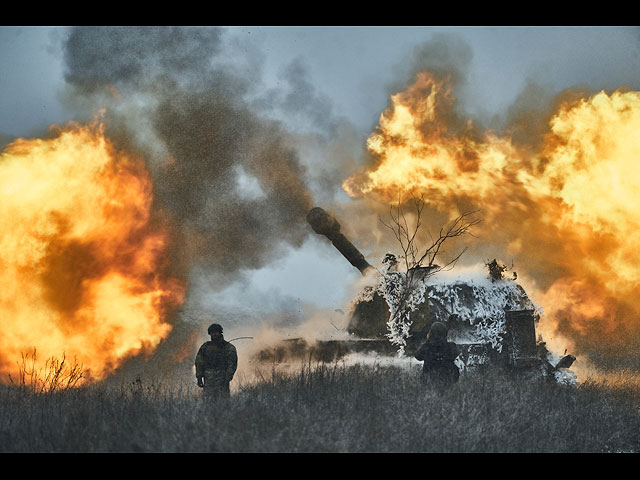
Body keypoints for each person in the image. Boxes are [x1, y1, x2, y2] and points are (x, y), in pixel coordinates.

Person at [195, 323, 238, 399]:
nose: (214, 334)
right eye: (212, 332)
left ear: (220, 333)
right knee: (208, 402)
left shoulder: (228, 347)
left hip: (222, 379)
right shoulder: (205, 347)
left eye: (216, 332)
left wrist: (227, 378)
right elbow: (199, 362)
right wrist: (199, 377)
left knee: (223, 402)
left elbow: (232, 364)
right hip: (208, 380)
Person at [414, 321, 460, 387]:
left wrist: (428, 341)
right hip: (448, 379)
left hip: (429, 380)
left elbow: (417, 356)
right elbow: (456, 353)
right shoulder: (451, 346)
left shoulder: (426, 347)